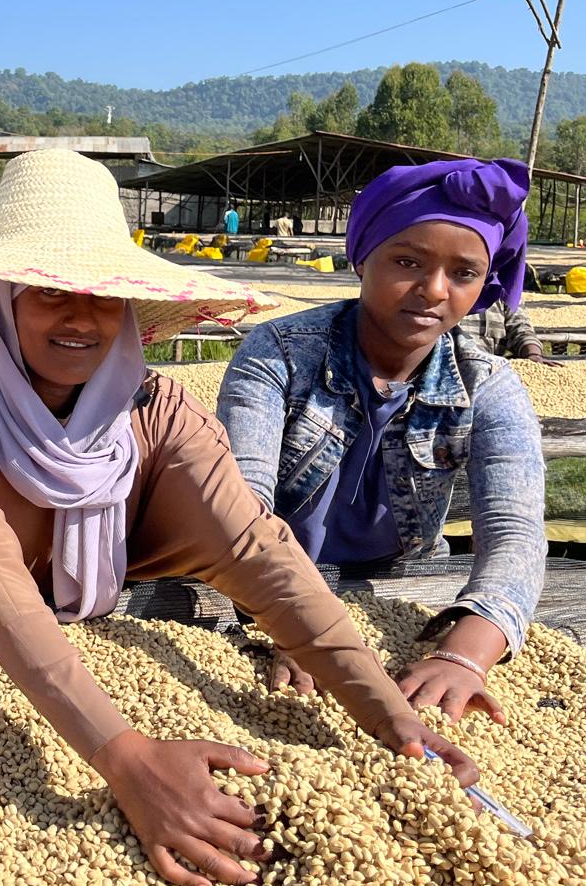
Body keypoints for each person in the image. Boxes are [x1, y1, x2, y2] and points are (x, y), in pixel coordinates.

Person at [0, 149, 478, 886]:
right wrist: (126, 757)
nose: (80, 317)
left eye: (102, 296)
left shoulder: (157, 413)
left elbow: (258, 553)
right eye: (48, 292)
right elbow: (3, 603)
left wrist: (386, 715)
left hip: (98, 621)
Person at [217, 159, 546, 723]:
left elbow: (515, 532)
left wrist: (465, 655)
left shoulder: (488, 385)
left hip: (399, 582)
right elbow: (242, 509)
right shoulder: (279, 354)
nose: (433, 291)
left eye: (463, 274)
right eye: (407, 261)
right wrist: (299, 623)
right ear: (363, 256)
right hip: (269, 587)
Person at [459, 296, 546, 362]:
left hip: (492, 369)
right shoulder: (450, 287)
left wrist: (533, 354)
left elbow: (520, 327)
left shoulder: (505, 287)